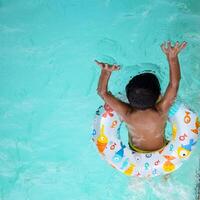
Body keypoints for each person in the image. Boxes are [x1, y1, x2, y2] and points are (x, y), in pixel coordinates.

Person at [95, 41, 187, 153]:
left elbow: (102, 92)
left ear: (128, 99)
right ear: (159, 96)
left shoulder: (127, 113)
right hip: (163, 152)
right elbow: (174, 83)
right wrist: (172, 57)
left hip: (136, 153)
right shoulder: (161, 111)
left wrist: (106, 72)